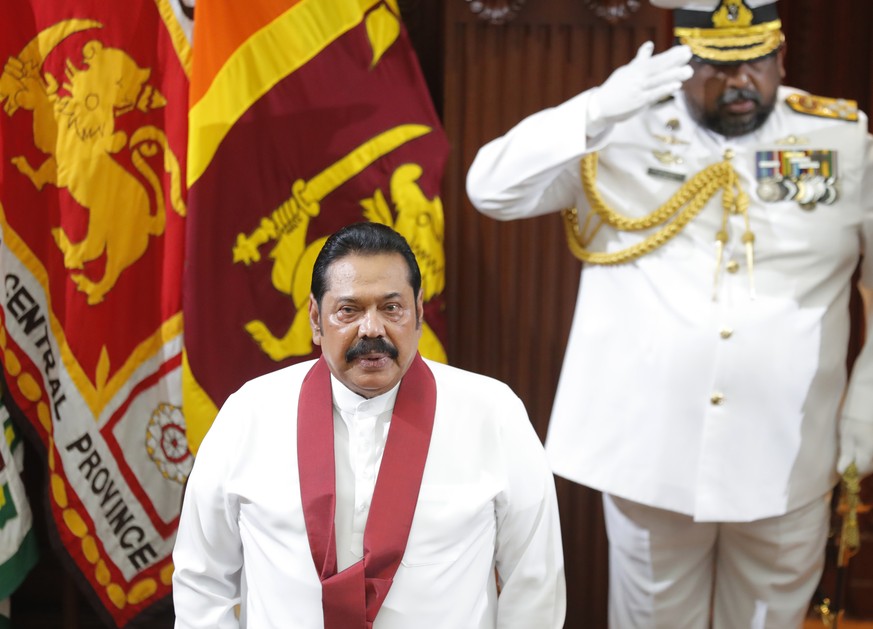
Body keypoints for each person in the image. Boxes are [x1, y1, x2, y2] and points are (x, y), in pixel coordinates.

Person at [466, 0, 873, 626]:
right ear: (681, 63)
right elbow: (491, 189)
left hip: (791, 452)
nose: (740, 82)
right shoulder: (621, 132)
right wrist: (594, 110)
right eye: (716, 66)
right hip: (650, 458)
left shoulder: (841, 141)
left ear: (781, 56)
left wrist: (866, 406)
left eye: (756, 62)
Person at [172, 221, 566, 628]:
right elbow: (202, 579)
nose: (372, 329)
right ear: (315, 318)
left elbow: (534, 581)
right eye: (349, 309)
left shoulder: (494, 412)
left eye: (391, 308)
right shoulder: (248, 413)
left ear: (419, 312)